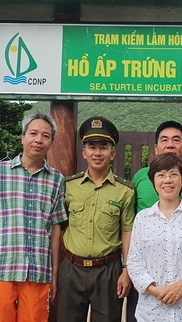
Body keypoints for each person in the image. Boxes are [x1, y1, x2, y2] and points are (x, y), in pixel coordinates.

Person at [0, 113, 67, 322]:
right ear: (22, 137)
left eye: (46, 136)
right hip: (1, 269)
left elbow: (56, 229)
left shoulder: (56, 179)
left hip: (38, 271)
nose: (39, 140)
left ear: (51, 142)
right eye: (33, 133)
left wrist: (54, 274)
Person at [127, 120, 182, 321]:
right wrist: (156, 290)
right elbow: (134, 258)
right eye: (161, 175)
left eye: (174, 175)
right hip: (151, 307)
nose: (168, 180)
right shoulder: (141, 213)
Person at [56, 116, 135, 322]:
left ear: (112, 153)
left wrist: (126, 270)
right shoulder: (69, 186)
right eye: (92, 147)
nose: (97, 153)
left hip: (108, 271)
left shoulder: (124, 191)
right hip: (72, 269)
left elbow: (127, 231)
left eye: (103, 147)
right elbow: (59, 226)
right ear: (84, 153)